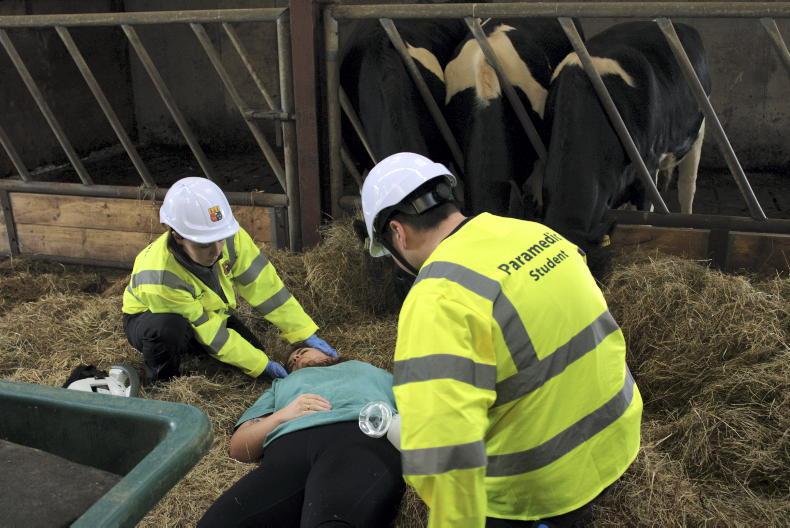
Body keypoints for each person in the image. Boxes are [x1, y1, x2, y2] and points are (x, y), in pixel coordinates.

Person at [359, 152, 643, 527]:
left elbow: (446, 455)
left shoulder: (438, 297)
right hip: (616, 438)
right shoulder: (535, 234)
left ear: (397, 232)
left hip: (540, 487)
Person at [122, 177, 336, 382]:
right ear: (178, 236)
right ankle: (162, 379)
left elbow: (266, 288)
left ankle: (196, 351)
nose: (217, 251)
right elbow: (207, 328)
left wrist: (303, 331)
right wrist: (261, 365)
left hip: (209, 312)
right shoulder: (159, 276)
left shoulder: (229, 235)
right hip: (150, 319)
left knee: (253, 353)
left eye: (220, 240)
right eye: (204, 244)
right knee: (170, 329)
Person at [198, 346, 405, 528]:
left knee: (333, 521)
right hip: (288, 449)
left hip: (357, 435)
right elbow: (239, 447)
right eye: (291, 362)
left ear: (328, 352)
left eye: (302, 352)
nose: (296, 359)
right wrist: (281, 416)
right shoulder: (281, 385)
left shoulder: (368, 369)